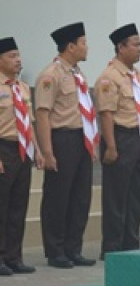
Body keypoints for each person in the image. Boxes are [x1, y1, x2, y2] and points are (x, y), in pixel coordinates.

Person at [35, 22, 97, 268]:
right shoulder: (51, 75)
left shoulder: (78, 73)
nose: (86, 47)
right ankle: (55, 250)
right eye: (83, 43)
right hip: (62, 138)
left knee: (80, 197)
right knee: (57, 197)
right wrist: (47, 151)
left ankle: (73, 248)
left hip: (81, 139)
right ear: (70, 46)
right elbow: (42, 114)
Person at [95, 23, 140, 256]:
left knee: (138, 193)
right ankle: (112, 246)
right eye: (136, 44)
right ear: (121, 48)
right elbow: (106, 114)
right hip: (121, 137)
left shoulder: (138, 76)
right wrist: (110, 145)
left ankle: (131, 242)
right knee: (116, 196)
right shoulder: (110, 77)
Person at [0, 37, 42, 275]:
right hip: (3, 149)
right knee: (2, 206)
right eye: (11, 56)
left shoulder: (22, 88)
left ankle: (14, 256)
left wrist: (36, 150)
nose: (18, 61)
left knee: (19, 205)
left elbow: (29, 122)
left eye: (18, 56)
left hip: (22, 149)